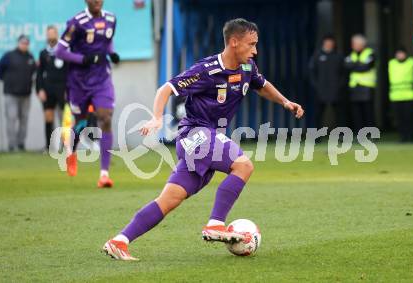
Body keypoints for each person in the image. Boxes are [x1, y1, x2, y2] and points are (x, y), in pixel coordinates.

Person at [102, 18, 304, 261]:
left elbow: (261, 85)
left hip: (208, 139)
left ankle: (119, 241)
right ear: (234, 42)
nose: (255, 51)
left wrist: (284, 101)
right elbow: (165, 88)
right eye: (251, 45)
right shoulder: (206, 70)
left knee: (169, 199)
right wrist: (157, 118)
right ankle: (216, 224)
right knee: (244, 165)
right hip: (195, 133)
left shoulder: (248, 67)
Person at [55, 0, 120, 188]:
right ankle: (72, 152)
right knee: (81, 122)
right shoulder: (76, 22)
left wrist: (112, 53)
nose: (97, 1)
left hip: (101, 79)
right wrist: (84, 59)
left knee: (105, 118)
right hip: (78, 82)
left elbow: (107, 42)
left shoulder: (111, 19)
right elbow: (60, 51)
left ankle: (104, 175)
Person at [0, 35, 36, 152]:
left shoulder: (30, 57)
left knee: (24, 119)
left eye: (26, 43)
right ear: (18, 43)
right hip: (11, 94)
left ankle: (21, 143)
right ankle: (12, 145)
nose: (24, 45)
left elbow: (33, 72)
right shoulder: (9, 56)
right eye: (22, 43)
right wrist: (7, 81)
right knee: (11, 119)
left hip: (26, 94)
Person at [36, 26, 68, 151]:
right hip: (48, 89)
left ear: (57, 35)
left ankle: (66, 145)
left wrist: (69, 89)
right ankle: (49, 146)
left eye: (53, 33)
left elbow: (69, 71)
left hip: (62, 88)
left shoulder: (64, 51)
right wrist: (40, 89)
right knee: (48, 116)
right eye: (49, 34)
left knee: (65, 117)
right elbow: (39, 73)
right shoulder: (43, 53)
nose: (51, 36)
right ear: (46, 36)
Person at [309, 34, 344, 129]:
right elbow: (312, 72)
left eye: (331, 43)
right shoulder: (317, 56)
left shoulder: (338, 56)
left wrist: (339, 85)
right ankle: (316, 136)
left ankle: (341, 135)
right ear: (323, 44)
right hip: (320, 90)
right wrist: (316, 85)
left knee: (339, 114)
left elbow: (344, 73)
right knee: (318, 113)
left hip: (335, 90)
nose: (329, 45)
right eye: (327, 43)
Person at [344, 34, 376, 133]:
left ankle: (371, 134)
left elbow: (365, 67)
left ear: (361, 44)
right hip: (354, 87)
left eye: (354, 43)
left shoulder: (370, 53)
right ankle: (359, 134)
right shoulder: (351, 54)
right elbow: (346, 66)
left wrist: (355, 65)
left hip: (367, 87)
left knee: (368, 113)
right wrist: (359, 65)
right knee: (356, 114)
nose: (352, 45)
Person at [388, 47, 413, 142]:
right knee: (399, 118)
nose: (399, 55)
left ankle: (411, 136)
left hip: (409, 94)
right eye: (398, 53)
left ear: (405, 54)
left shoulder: (412, 62)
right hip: (396, 95)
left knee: (409, 117)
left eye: (401, 53)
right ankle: (402, 136)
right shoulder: (391, 63)